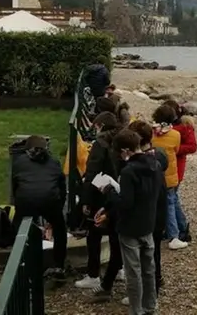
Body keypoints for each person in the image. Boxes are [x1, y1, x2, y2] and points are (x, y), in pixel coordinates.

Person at [100, 129, 160, 315]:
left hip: (130, 227)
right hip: (148, 223)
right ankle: (151, 305)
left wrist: (109, 191)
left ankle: (136, 309)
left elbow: (125, 203)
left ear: (126, 150)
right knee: (148, 269)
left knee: (133, 272)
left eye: (120, 152)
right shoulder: (156, 164)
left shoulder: (128, 171)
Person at [77, 111, 125, 290]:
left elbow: (92, 173)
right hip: (117, 193)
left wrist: (85, 201)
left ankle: (93, 274)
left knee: (94, 236)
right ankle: (118, 268)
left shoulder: (100, 145)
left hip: (100, 194)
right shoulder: (121, 142)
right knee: (115, 235)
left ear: (101, 126)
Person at [11, 135, 67, 281]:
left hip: (26, 200)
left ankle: (23, 262)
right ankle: (59, 265)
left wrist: (18, 204)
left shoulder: (19, 162)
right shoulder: (54, 162)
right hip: (50, 200)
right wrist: (57, 210)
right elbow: (62, 188)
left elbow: (15, 186)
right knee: (60, 229)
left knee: (20, 227)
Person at [130, 120, 169, 294]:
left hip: (149, 212)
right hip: (159, 210)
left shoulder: (144, 163)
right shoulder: (157, 157)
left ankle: (150, 288)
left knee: (147, 253)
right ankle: (155, 281)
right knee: (154, 251)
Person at [151, 105, 188, 250]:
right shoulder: (175, 135)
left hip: (155, 173)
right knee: (171, 203)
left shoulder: (151, 134)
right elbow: (177, 149)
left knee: (166, 202)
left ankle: (178, 229)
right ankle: (175, 235)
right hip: (170, 174)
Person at [161, 100, 197, 242]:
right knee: (172, 199)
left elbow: (192, 146)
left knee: (171, 199)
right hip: (169, 166)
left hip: (177, 166)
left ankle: (177, 230)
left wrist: (173, 149)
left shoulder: (184, 128)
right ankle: (179, 228)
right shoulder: (167, 128)